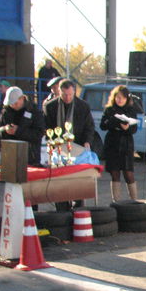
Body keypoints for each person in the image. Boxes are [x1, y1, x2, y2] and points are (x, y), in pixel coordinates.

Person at [44, 79, 95, 209]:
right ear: (59, 92)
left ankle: (78, 208)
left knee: (77, 183)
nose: (67, 98)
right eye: (64, 95)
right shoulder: (50, 106)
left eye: (70, 95)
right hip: (59, 149)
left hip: (78, 147)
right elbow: (47, 128)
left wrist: (87, 142)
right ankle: (61, 209)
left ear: (74, 92)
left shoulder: (83, 106)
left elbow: (89, 127)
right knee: (59, 182)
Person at [100, 85, 140, 201]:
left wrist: (127, 127)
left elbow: (134, 129)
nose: (120, 100)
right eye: (117, 97)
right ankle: (116, 201)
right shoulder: (109, 109)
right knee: (115, 173)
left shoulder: (131, 110)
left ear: (127, 99)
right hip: (112, 144)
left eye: (122, 98)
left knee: (129, 173)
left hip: (126, 145)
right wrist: (114, 122)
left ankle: (134, 201)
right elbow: (103, 125)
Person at [0, 86, 46, 167]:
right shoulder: (6, 111)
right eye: (11, 104)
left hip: (30, 157)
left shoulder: (34, 111)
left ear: (22, 98)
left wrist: (18, 131)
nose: (13, 105)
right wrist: (5, 129)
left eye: (15, 103)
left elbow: (39, 133)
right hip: (10, 156)